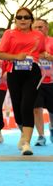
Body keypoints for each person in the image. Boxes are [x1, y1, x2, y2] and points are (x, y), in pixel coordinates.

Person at [0, 8, 51, 156]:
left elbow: (40, 51)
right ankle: (23, 133)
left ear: (31, 20)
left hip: (32, 72)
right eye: (19, 17)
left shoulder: (38, 35)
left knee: (28, 105)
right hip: (14, 72)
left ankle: (26, 143)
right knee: (17, 106)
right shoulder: (9, 34)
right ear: (15, 20)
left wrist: (45, 55)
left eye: (26, 17)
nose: (23, 20)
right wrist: (16, 57)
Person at [31, 18, 53, 146]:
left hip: (51, 82)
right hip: (36, 81)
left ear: (47, 28)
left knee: (52, 110)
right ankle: (41, 136)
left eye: (41, 27)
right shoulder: (30, 43)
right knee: (36, 108)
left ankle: (52, 128)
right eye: (36, 27)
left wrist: (50, 57)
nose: (38, 29)